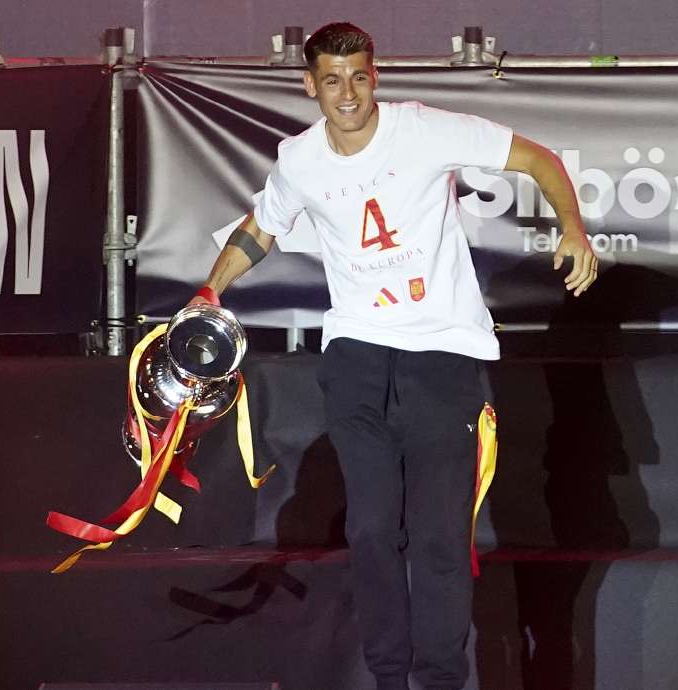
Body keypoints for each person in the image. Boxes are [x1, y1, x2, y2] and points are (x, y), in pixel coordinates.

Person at [189, 22, 597, 690]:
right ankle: (388, 677)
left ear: (374, 75)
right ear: (310, 85)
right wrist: (210, 289)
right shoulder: (300, 159)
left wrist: (573, 229)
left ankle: (438, 680)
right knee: (374, 532)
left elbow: (538, 160)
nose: (346, 94)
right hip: (357, 358)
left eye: (357, 77)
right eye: (331, 80)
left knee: (438, 540)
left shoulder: (424, 129)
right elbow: (261, 226)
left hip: (441, 355)